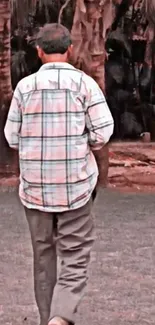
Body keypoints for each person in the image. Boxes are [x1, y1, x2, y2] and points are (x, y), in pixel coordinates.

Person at [4, 23, 114, 325]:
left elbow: (12, 137)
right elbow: (103, 133)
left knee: (43, 257)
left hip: (35, 190)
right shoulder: (86, 85)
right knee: (75, 255)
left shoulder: (24, 88)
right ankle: (60, 318)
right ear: (69, 49)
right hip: (76, 188)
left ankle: (47, 319)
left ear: (39, 51)